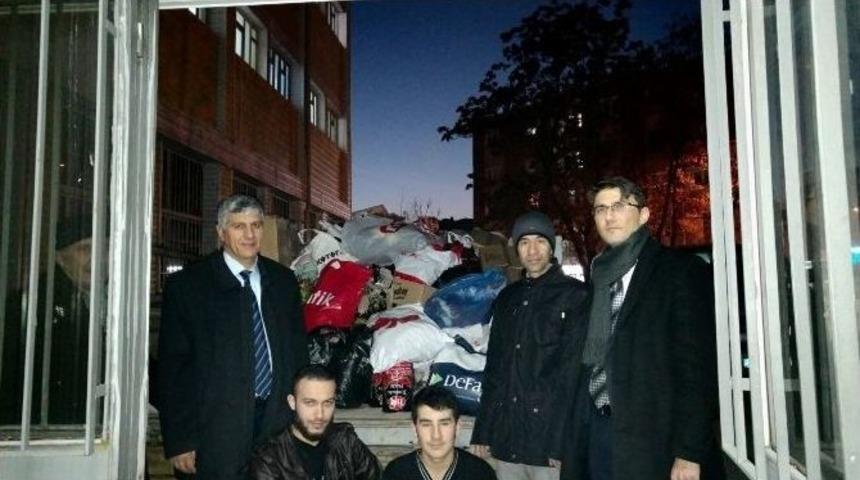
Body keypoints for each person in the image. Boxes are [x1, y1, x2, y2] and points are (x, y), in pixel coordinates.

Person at [559, 176, 720, 480]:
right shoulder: (598, 279)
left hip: (654, 438)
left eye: (618, 206)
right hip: (597, 429)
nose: (608, 216)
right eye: (600, 209)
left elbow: (697, 371)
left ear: (644, 214)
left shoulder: (679, 273)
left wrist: (689, 452)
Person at [157, 194, 308, 479]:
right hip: (215, 428)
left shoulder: (283, 281)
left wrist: (304, 415)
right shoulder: (189, 287)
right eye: (239, 227)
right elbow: (172, 370)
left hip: (275, 421)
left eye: (256, 225)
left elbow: (299, 353)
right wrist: (180, 440)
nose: (250, 235)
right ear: (221, 233)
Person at [470, 211, 589, 480]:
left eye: (540, 241)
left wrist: (562, 442)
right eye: (525, 242)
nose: (533, 250)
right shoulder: (507, 298)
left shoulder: (575, 296)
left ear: (551, 246)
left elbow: (575, 377)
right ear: (516, 248)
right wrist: (483, 429)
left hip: (548, 445)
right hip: (507, 440)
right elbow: (495, 368)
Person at [249, 364, 381, 480]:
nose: (320, 414)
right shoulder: (269, 459)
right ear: (292, 403)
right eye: (310, 403)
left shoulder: (346, 441)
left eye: (328, 403)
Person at [383, 385, 497, 480]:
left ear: (457, 427)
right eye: (426, 424)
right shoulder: (396, 473)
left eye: (444, 424)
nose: (436, 435)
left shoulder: (480, 474)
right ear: (414, 429)